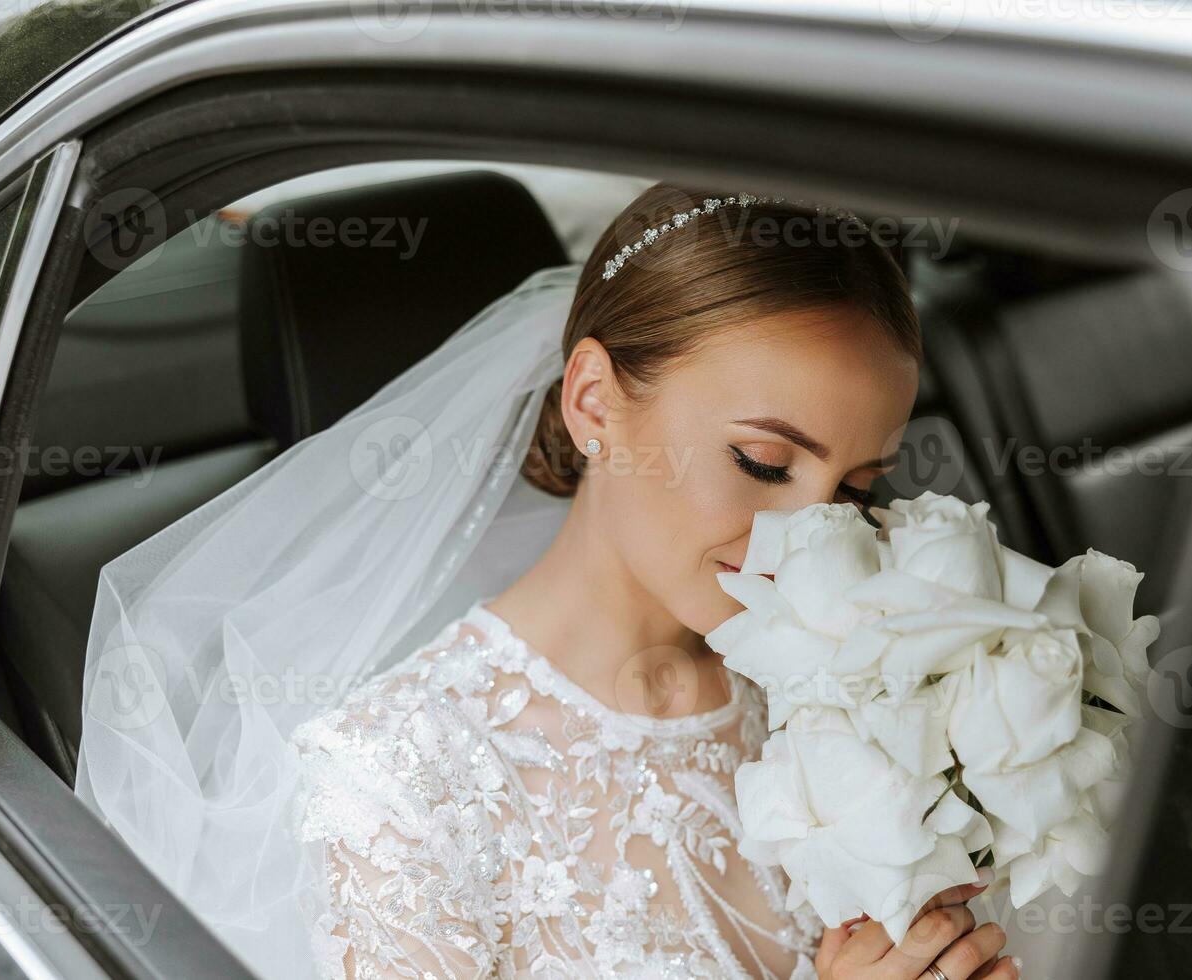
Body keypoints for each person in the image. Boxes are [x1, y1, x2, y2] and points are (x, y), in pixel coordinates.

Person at [76, 184, 1019, 980]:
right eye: (766, 465)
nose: (812, 543)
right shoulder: (401, 787)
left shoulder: (879, 683)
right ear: (594, 403)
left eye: (855, 488)